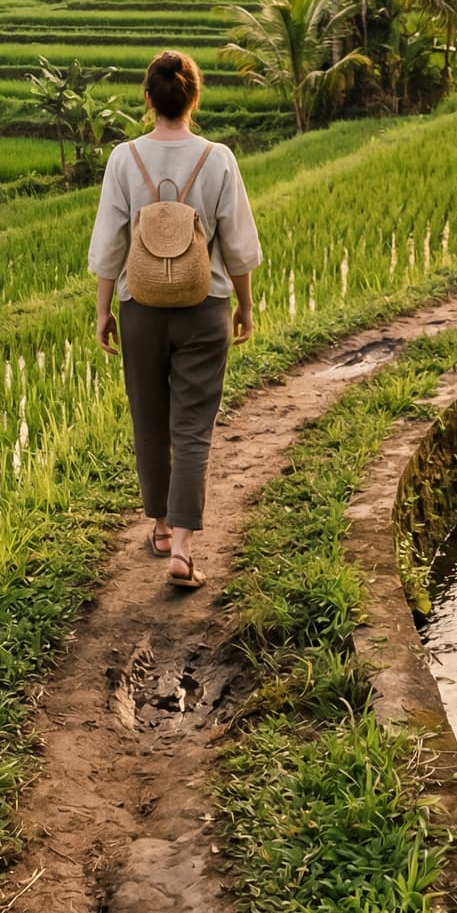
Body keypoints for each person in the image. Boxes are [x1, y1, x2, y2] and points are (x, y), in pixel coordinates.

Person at [88, 50, 262, 589]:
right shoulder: (218, 158)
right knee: (193, 427)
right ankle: (182, 551)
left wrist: (102, 309)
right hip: (204, 307)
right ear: (194, 97)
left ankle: (161, 527)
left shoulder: (123, 159)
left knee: (149, 417)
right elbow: (237, 243)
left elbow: (109, 242)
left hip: (139, 307)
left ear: (148, 99)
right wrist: (245, 303)